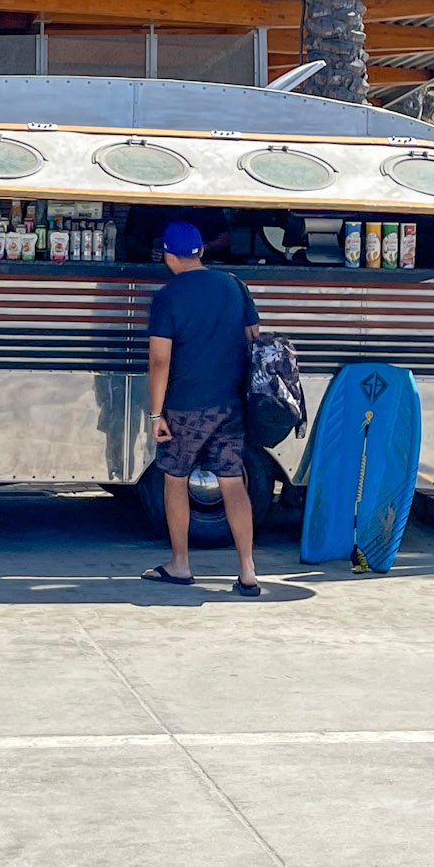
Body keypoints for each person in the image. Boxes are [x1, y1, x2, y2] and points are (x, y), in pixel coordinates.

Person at [141, 219, 262, 596]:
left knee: (175, 480)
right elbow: (253, 339)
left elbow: (160, 360)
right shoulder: (233, 285)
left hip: (185, 406)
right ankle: (247, 570)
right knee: (233, 482)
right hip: (229, 402)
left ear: (167, 256)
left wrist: (156, 413)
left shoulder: (168, 297)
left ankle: (180, 564)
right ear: (202, 251)